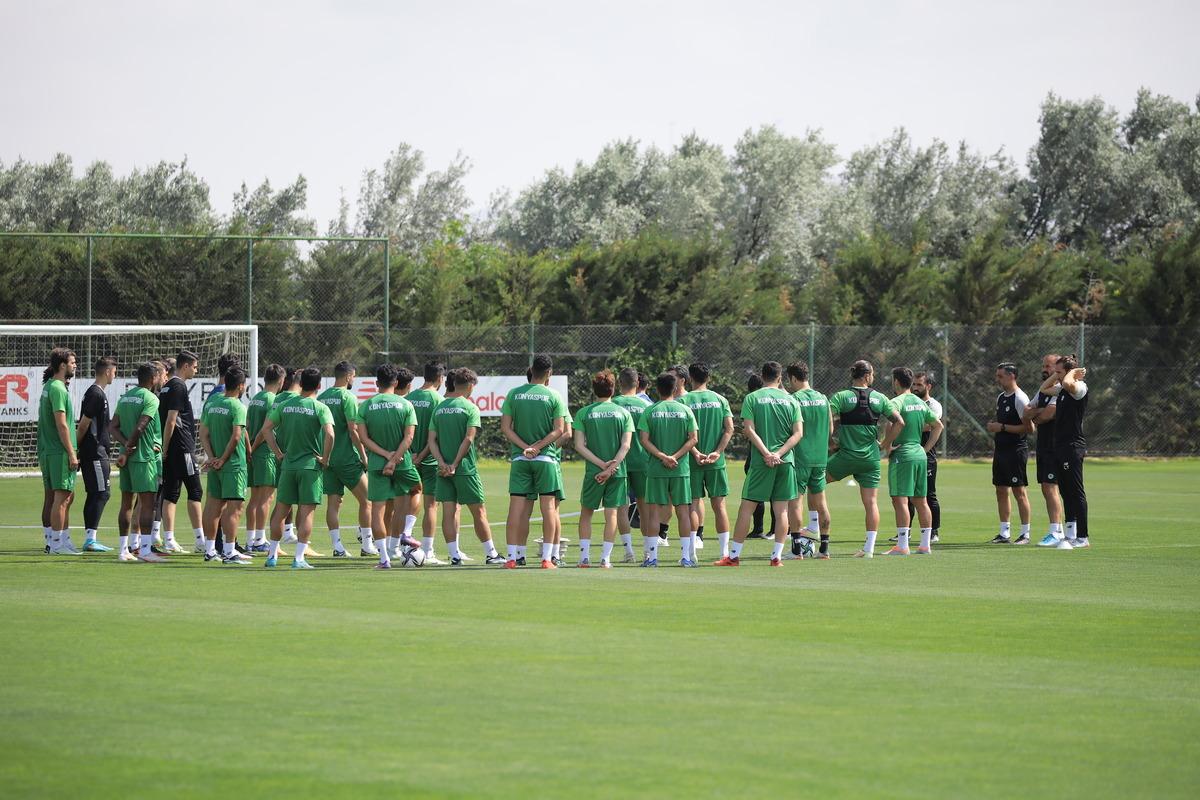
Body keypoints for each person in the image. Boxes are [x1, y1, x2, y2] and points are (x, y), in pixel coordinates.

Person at [714, 362, 803, 567]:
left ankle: (734, 556)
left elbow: (748, 430)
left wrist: (766, 453)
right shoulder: (791, 400)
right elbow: (798, 433)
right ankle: (776, 557)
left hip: (762, 462)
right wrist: (778, 453)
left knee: (747, 508)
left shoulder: (752, 398)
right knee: (781, 510)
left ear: (762, 377)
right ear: (780, 378)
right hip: (785, 461)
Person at [826, 360, 905, 558]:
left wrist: (830, 442)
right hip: (871, 459)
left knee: (814, 483)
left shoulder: (841, 397)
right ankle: (869, 549)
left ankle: (812, 531)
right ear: (867, 375)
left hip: (846, 456)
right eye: (873, 374)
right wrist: (885, 444)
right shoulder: (880, 398)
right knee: (871, 503)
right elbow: (899, 422)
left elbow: (827, 416)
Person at [429, 367, 507, 565]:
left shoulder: (439, 408)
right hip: (464, 469)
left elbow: (431, 441)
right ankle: (491, 554)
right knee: (479, 512)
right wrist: (455, 464)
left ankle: (454, 555)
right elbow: (469, 439)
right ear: (471, 386)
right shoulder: (470, 408)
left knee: (448, 512)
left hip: (442, 470)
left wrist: (442, 463)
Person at [261, 367, 334, 569]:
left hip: (288, 466)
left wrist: (278, 453)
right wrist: (325, 458)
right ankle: (299, 558)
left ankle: (272, 556)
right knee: (306, 512)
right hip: (310, 467)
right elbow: (330, 434)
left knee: (280, 511)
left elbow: (266, 429)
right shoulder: (320, 407)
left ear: (300, 384)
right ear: (319, 385)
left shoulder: (285, 405)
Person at [500, 355, 567, 569]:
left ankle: (512, 558)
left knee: (516, 510)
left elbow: (506, 428)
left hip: (520, 459)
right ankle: (547, 559)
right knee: (548, 509)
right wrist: (538, 447)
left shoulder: (514, 394)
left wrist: (525, 447)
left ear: (531, 369)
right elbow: (560, 430)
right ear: (549, 373)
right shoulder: (553, 395)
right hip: (546, 459)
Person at [354, 364, 423, 568]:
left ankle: (384, 558)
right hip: (403, 462)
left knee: (378, 509)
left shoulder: (366, 406)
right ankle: (406, 533)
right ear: (396, 382)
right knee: (416, 489)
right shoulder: (406, 405)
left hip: (377, 463)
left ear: (377, 383)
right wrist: (394, 459)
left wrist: (385, 456)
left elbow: (363, 438)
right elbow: (409, 437)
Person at [573, 369, 634, 568]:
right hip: (617, 472)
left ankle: (584, 558)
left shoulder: (584, 413)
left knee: (586, 513)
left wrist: (601, 466)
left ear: (594, 389)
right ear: (613, 389)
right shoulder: (623, 413)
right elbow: (626, 445)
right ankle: (605, 559)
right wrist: (611, 468)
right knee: (612, 514)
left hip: (594, 473)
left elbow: (579, 446)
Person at [638, 371, 699, 566]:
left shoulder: (650, 411)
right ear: (675, 388)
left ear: (657, 389)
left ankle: (652, 558)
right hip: (680, 469)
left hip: (656, 469)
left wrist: (662, 456)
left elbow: (644, 440)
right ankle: (686, 557)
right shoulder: (685, 410)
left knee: (654, 513)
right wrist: (675, 456)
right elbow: (693, 439)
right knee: (683, 512)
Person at [882, 368, 944, 555]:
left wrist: (886, 444)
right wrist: (925, 449)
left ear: (896, 382)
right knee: (921, 500)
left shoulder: (896, 401)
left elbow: (895, 423)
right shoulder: (920, 402)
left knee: (900, 500)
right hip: (919, 454)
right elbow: (938, 426)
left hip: (903, 455)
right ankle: (925, 545)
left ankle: (902, 545)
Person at [110, 362, 166, 562]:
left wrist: (125, 446)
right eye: (158, 376)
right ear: (153, 378)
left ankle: (123, 550)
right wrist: (130, 446)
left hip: (126, 458)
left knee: (126, 503)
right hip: (143, 458)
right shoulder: (151, 398)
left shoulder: (125, 397)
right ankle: (145, 551)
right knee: (147, 504)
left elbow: (112, 426)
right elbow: (141, 426)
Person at [318, 361, 373, 558]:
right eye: (354, 377)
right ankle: (367, 545)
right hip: (347, 458)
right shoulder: (347, 397)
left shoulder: (322, 397)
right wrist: (364, 456)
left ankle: (338, 547)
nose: (353, 380)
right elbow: (353, 430)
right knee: (368, 500)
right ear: (349, 376)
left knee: (334, 503)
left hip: (328, 459)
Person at [199, 366, 252, 564]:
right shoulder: (237, 406)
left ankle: (210, 550)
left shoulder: (213, 403)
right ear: (241, 386)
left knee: (213, 507)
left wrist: (212, 457)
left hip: (215, 466)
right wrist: (222, 459)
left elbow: (203, 433)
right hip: (233, 466)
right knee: (234, 508)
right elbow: (237, 436)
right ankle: (230, 552)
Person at [1039, 354, 1090, 549]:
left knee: (1076, 491)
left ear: (1070, 372)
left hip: (1073, 446)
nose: (1056, 376)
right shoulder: (1061, 389)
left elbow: (1069, 383)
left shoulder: (1079, 388)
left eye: (1059, 372)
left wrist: (1072, 374)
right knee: (1065, 491)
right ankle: (1070, 535)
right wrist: (1057, 374)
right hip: (1060, 446)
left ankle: (1083, 537)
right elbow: (1044, 389)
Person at [683, 363, 733, 557]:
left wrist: (695, 452)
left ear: (690, 378)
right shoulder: (720, 399)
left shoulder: (684, 400)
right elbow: (729, 429)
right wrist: (718, 452)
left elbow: (683, 433)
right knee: (719, 506)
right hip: (716, 462)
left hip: (692, 460)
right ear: (708, 378)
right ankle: (724, 553)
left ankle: (692, 552)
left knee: (693, 504)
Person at [786, 361, 832, 559]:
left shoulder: (793, 399)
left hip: (800, 458)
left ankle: (796, 550)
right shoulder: (823, 398)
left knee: (795, 503)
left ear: (793, 378)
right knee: (821, 503)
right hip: (820, 458)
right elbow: (830, 428)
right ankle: (824, 549)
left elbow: (791, 429)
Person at [159, 350, 204, 555]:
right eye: (194, 367)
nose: (196, 370)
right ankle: (200, 540)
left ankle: (169, 539)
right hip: (182, 448)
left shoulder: (167, 386)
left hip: (173, 449)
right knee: (195, 491)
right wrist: (166, 447)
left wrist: (166, 449)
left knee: (171, 492)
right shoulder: (178, 386)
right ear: (185, 366)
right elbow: (171, 420)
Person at [39, 348, 80, 555]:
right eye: (72, 362)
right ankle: (56, 545)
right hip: (59, 451)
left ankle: (58, 540)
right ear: (63, 365)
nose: (75, 366)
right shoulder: (57, 388)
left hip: (48, 450)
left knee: (57, 497)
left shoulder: (49, 386)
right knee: (62, 498)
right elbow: (62, 424)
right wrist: (72, 453)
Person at [988, 362, 1033, 544]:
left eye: (1000, 376)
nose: (997, 379)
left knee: (1019, 491)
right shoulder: (1001, 397)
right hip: (1001, 450)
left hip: (1016, 451)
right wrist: (997, 427)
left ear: (1012, 376)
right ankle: (1004, 532)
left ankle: (1025, 533)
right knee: (1000, 490)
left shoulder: (1020, 398)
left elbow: (1029, 428)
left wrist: (1002, 427)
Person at [1023, 354, 1065, 546]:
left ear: (1058, 368)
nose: (1044, 369)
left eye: (1048, 366)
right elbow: (1027, 412)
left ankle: (1056, 532)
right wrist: (1038, 414)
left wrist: (1037, 415)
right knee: (1046, 487)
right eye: (1044, 366)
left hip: (1056, 445)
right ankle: (1059, 530)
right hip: (1043, 445)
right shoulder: (1043, 391)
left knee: (1051, 486)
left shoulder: (1062, 390)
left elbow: (1047, 414)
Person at [76, 356, 117, 552]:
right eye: (114, 372)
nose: (115, 375)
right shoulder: (96, 394)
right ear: (107, 372)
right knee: (101, 493)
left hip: (95, 452)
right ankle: (90, 540)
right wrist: (75, 449)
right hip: (95, 453)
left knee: (95, 493)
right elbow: (84, 424)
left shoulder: (96, 392)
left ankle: (90, 538)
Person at [408, 360, 447, 563]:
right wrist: (422, 455)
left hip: (408, 459)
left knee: (406, 503)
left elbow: (404, 431)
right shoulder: (439, 400)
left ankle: (399, 544)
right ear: (440, 378)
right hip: (430, 460)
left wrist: (411, 455)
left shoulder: (409, 398)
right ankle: (428, 550)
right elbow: (436, 435)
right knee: (431, 505)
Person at [901, 371, 944, 544]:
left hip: (927, 457)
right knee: (906, 495)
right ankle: (906, 531)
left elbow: (929, 426)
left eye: (919, 384)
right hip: (909, 455)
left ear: (928, 386)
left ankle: (933, 531)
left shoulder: (933, 405)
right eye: (914, 384)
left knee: (928, 495)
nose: (915, 387)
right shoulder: (911, 402)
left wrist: (906, 425)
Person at [612, 367, 650, 564]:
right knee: (645, 508)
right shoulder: (646, 405)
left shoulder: (613, 404)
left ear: (620, 383)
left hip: (619, 461)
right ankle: (648, 551)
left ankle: (628, 551)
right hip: (643, 461)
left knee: (622, 507)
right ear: (638, 384)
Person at [246, 363, 285, 552]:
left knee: (254, 498)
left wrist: (249, 448)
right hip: (265, 452)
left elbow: (247, 425)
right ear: (281, 380)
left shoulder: (256, 398)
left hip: (254, 453)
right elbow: (265, 430)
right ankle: (260, 539)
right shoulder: (272, 400)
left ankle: (250, 540)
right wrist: (253, 448)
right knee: (266, 498)